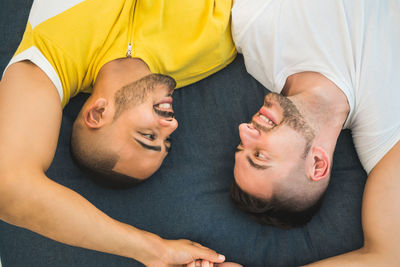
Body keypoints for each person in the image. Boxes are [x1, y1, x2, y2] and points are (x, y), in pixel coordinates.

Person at [0, 0, 236, 265]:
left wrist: (152, 251)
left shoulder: (52, 54)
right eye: (165, 141)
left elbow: (10, 188)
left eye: (148, 136)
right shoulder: (215, 43)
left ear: (97, 113)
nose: (172, 126)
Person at [230, 0, 400, 265]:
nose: (245, 130)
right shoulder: (385, 138)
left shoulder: (257, 33)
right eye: (259, 155)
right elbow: (389, 256)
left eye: (241, 146)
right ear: (318, 164)